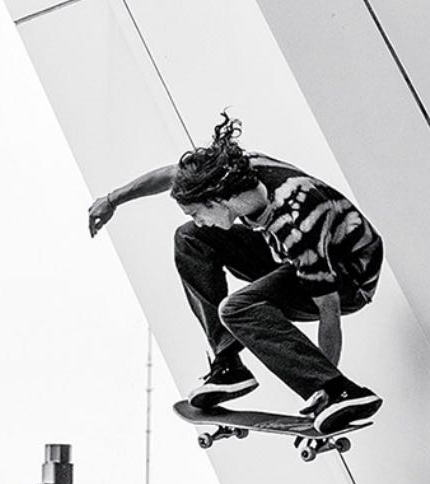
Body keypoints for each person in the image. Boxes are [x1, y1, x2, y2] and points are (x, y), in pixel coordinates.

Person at [88, 113, 384, 435]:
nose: (199, 220)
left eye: (197, 213)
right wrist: (112, 199)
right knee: (189, 238)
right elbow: (172, 175)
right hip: (287, 258)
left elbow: (330, 309)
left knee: (237, 307)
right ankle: (229, 364)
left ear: (216, 201)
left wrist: (325, 385)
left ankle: (345, 393)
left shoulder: (297, 222)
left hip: (346, 281)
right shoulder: (230, 174)